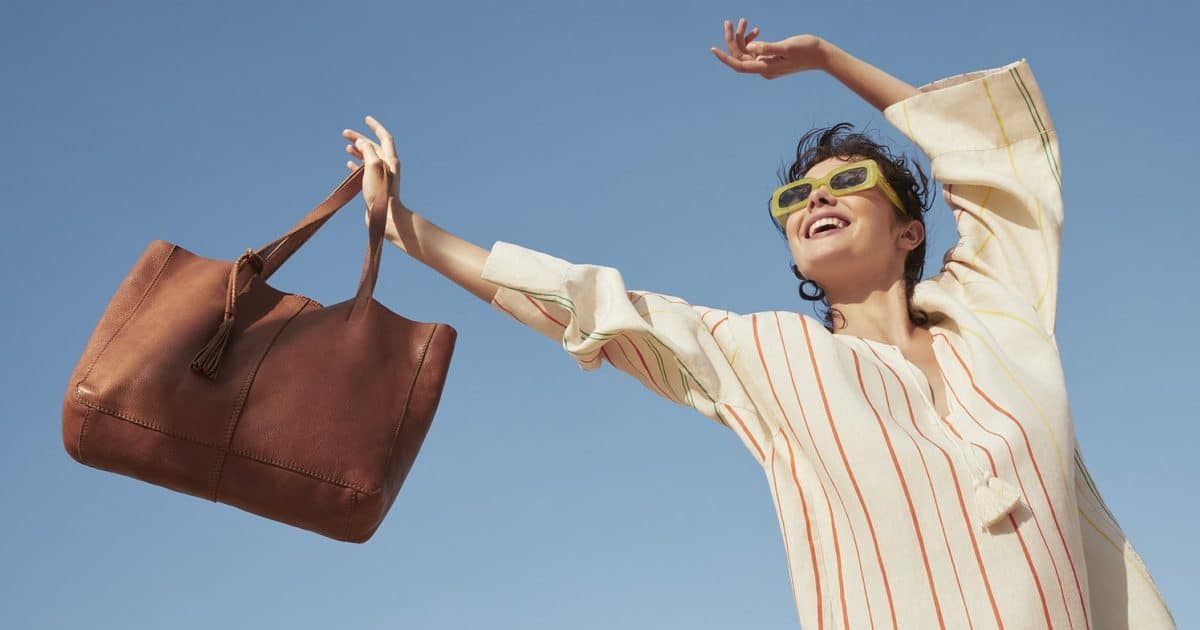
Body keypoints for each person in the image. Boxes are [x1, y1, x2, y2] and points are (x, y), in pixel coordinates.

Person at [340, 18, 1174, 629]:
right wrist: (405, 229)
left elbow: (997, 168)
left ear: (911, 231)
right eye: (794, 197)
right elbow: (588, 304)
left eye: (846, 180)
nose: (815, 198)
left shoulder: (994, 317)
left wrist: (824, 58)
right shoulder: (770, 357)